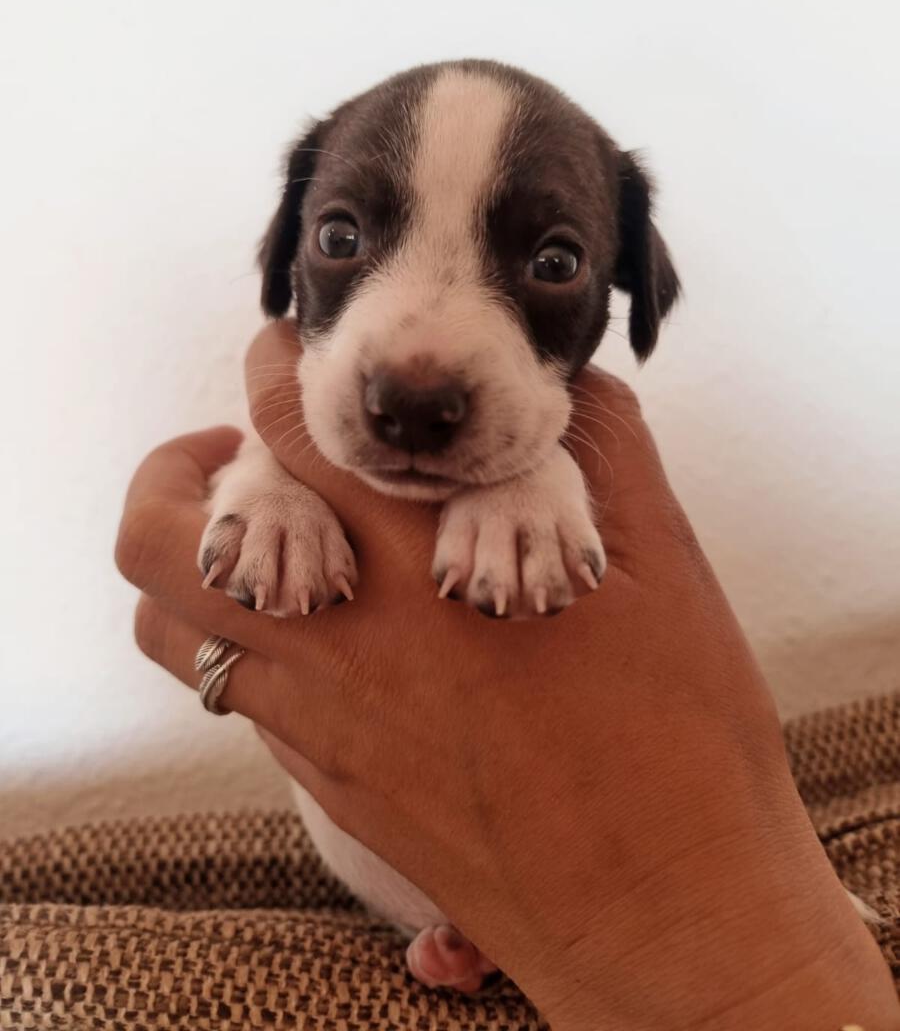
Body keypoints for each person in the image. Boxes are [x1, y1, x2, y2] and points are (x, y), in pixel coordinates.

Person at [115, 320, 899, 1030]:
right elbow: (256, 473)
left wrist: (759, 951)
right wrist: (266, 493)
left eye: (551, 262)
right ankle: (466, 928)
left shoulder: (553, 463)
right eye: (343, 238)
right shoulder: (294, 434)